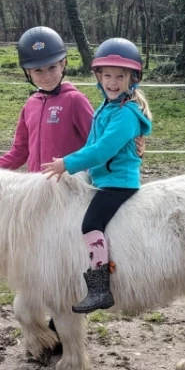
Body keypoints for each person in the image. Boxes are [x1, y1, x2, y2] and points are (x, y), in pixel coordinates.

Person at [42, 38, 152, 313]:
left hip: (118, 184)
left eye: (120, 76)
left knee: (90, 224)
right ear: (99, 78)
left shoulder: (126, 115)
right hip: (101, 180)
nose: (112, 82)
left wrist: (66, 163)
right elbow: (90, 145)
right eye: (107, 76)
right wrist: (75, 169)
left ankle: (100, 287)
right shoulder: (104, 109)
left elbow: (103, 150)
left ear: (131, 79)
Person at [0, 26, 94, 173]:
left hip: (68, 188)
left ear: (63, 64)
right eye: (38, 70)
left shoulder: (75, 100)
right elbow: (19, 152)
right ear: (28, 72)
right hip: (37, 188)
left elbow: (98, 144)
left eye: (52, 68)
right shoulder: (30, 105)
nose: (46, 76)